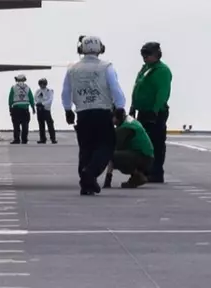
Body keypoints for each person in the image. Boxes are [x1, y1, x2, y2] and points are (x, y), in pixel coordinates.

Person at [61, 36, 127, 196]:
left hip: (82, 113)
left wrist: (68, 110)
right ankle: (90, 173)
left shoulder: (72, 69)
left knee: (86, 148)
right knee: (106, 146)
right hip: (102, 112)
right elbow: (115, 88)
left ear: (81, 49)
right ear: (101, 49)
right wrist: (120, 107)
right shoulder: (106, 67)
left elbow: (66, 91)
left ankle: (86, 184)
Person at [130, 42, 172, 182]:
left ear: (157, 54)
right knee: (143, 143)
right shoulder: (146, 68)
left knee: (156, 143)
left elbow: (162, 92)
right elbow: (138, 87)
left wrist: (155, 110)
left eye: (148, 54)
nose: (145, 57)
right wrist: (133, 106)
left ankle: (156, 172)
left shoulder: (162, 70)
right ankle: (146, 171)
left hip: (156, 113)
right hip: (143, 111)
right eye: (143, 54)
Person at [105, 114, 154, 189]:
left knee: (111, 155)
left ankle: (138, 175)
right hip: (147, 156)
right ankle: (136, 177)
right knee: (118, 155)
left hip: (143, 158)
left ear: (116, 118)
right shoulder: (130, 121)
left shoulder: (125, 128)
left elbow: (115, 147)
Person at [8, 75, 35, 144]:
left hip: (16, 109)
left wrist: (10, 107)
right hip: (25, 109)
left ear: (17, 80)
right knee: (25, 125)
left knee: (16, 125)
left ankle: (17, 139)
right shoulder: (27, 88)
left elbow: (10, 98)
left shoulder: (13, 87)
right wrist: (33, 108)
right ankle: (24, 139)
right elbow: (31, 98)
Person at [34, 77, 58, 144]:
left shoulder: (49, 91)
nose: (42, 85)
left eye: (43, 84)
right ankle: (42, 139)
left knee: (50, 124)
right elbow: (34, 98)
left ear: (45, 84)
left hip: (46, 109)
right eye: (41, 84)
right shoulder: (38, 91)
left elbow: (50, 100)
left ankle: (53, 139)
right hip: (39, 109)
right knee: (41, 125)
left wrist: (42, 103)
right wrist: (37, 103)